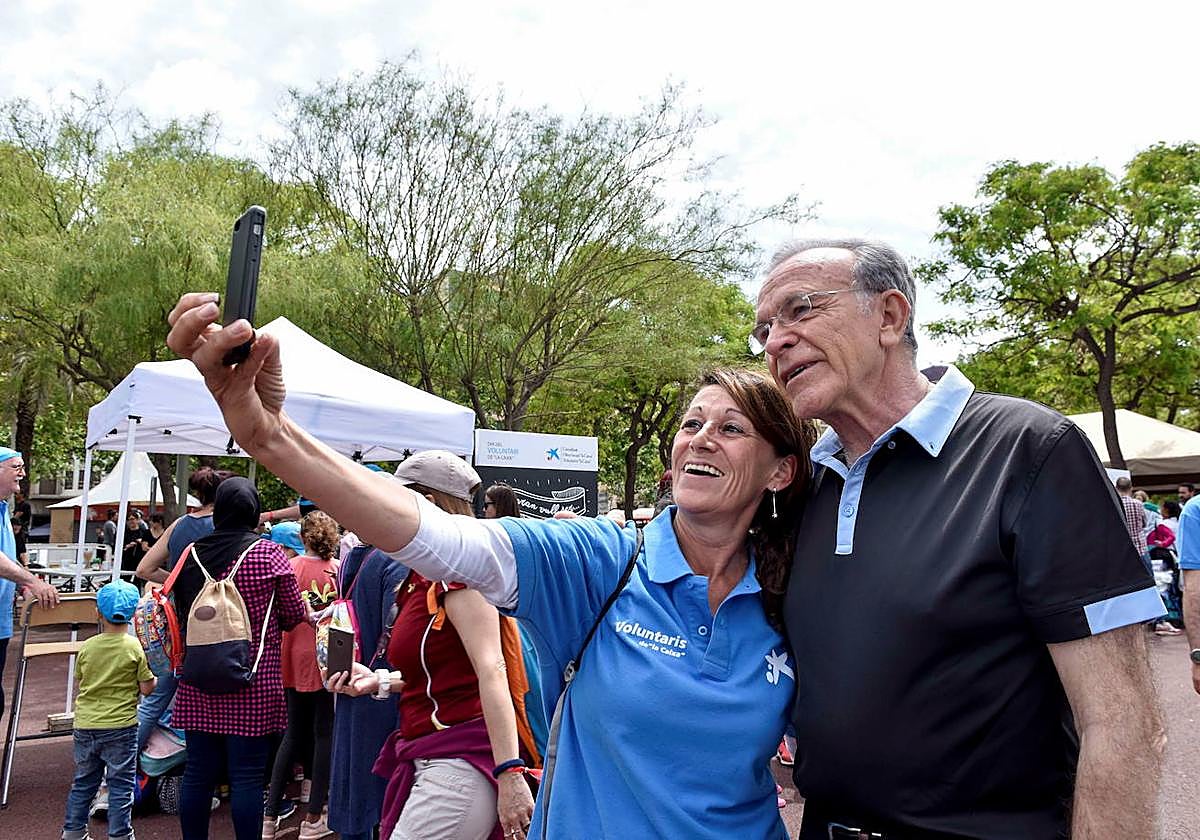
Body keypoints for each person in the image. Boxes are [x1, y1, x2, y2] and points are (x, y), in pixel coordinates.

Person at [166, 295, 813, 839]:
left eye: (731, 429)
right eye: (692, 422)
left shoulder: (795, 594)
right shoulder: (601, 561)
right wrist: (268, 435)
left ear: (779, 470)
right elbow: (440, 537)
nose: (700, 437)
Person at [753, 237, 1164, 839]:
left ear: (890, 317)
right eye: (764, 328)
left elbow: (1122, 722)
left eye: (801, 309)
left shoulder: (1028, 448)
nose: (775, 341)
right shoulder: (804, 484)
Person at [330, 450, 537, 840]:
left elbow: (492, 670)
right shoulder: (421, 577)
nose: (376, 511)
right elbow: (441, 674)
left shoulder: (459, 574)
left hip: (460, 762)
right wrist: (378, 682)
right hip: (433, 755)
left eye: (392, 501)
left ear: (425, 505)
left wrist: (510, 773)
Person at [170, 477, 310, 840]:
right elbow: (293, 615)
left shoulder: (193, 553)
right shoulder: (268, 553)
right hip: (253, 678)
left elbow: (180, 607)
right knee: (248, 775)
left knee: (198, 772)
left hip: (198, 676)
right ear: (252, 510)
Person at [134, 467, 230, 751]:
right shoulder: (225, 526)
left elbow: (144, 569)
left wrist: (176, 580)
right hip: (214, 624)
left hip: (176, 624)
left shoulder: (180, 524)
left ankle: (118, 775)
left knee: (155, 701)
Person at [264, 511, 341, 840]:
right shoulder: (338, 570)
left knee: (293, 733)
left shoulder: (290, 569)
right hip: (328, 655)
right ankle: (313, 817)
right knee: (324, 733)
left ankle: (269, 816)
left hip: (292, 655)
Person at [61, 580, 156, 840]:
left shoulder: (88, 646)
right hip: (121, 726)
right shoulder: (134, 647)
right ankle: (120, 834)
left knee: (83, 781)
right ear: (134, 613)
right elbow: (147, 688)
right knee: (120, 784)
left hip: (86, 724)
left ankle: (73, 831)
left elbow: (83, 679)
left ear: (98, 613)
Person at [326, 538, 408, 840]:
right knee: (389, 796)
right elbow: (400, 637)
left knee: (357, 791)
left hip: (353, 675)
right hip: (384, 686)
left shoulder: (353, 555)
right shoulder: (395, 558)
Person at [0, 447, 61, 722]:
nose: (23, 472)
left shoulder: (3, 510)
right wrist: (32, 582)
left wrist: (23, 586)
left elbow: (8, 560)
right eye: (16, 466)